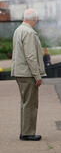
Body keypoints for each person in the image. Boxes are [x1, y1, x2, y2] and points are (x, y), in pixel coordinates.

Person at [11, 9, 46, 142]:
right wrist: (37, 76)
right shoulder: (29, 32)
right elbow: (31, 56)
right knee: (31, 104)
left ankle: (24, 131)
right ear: (34, 19)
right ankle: (28, 133)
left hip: (20, 72)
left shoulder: (19, 30)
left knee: (25, 103)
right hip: (27, 73)